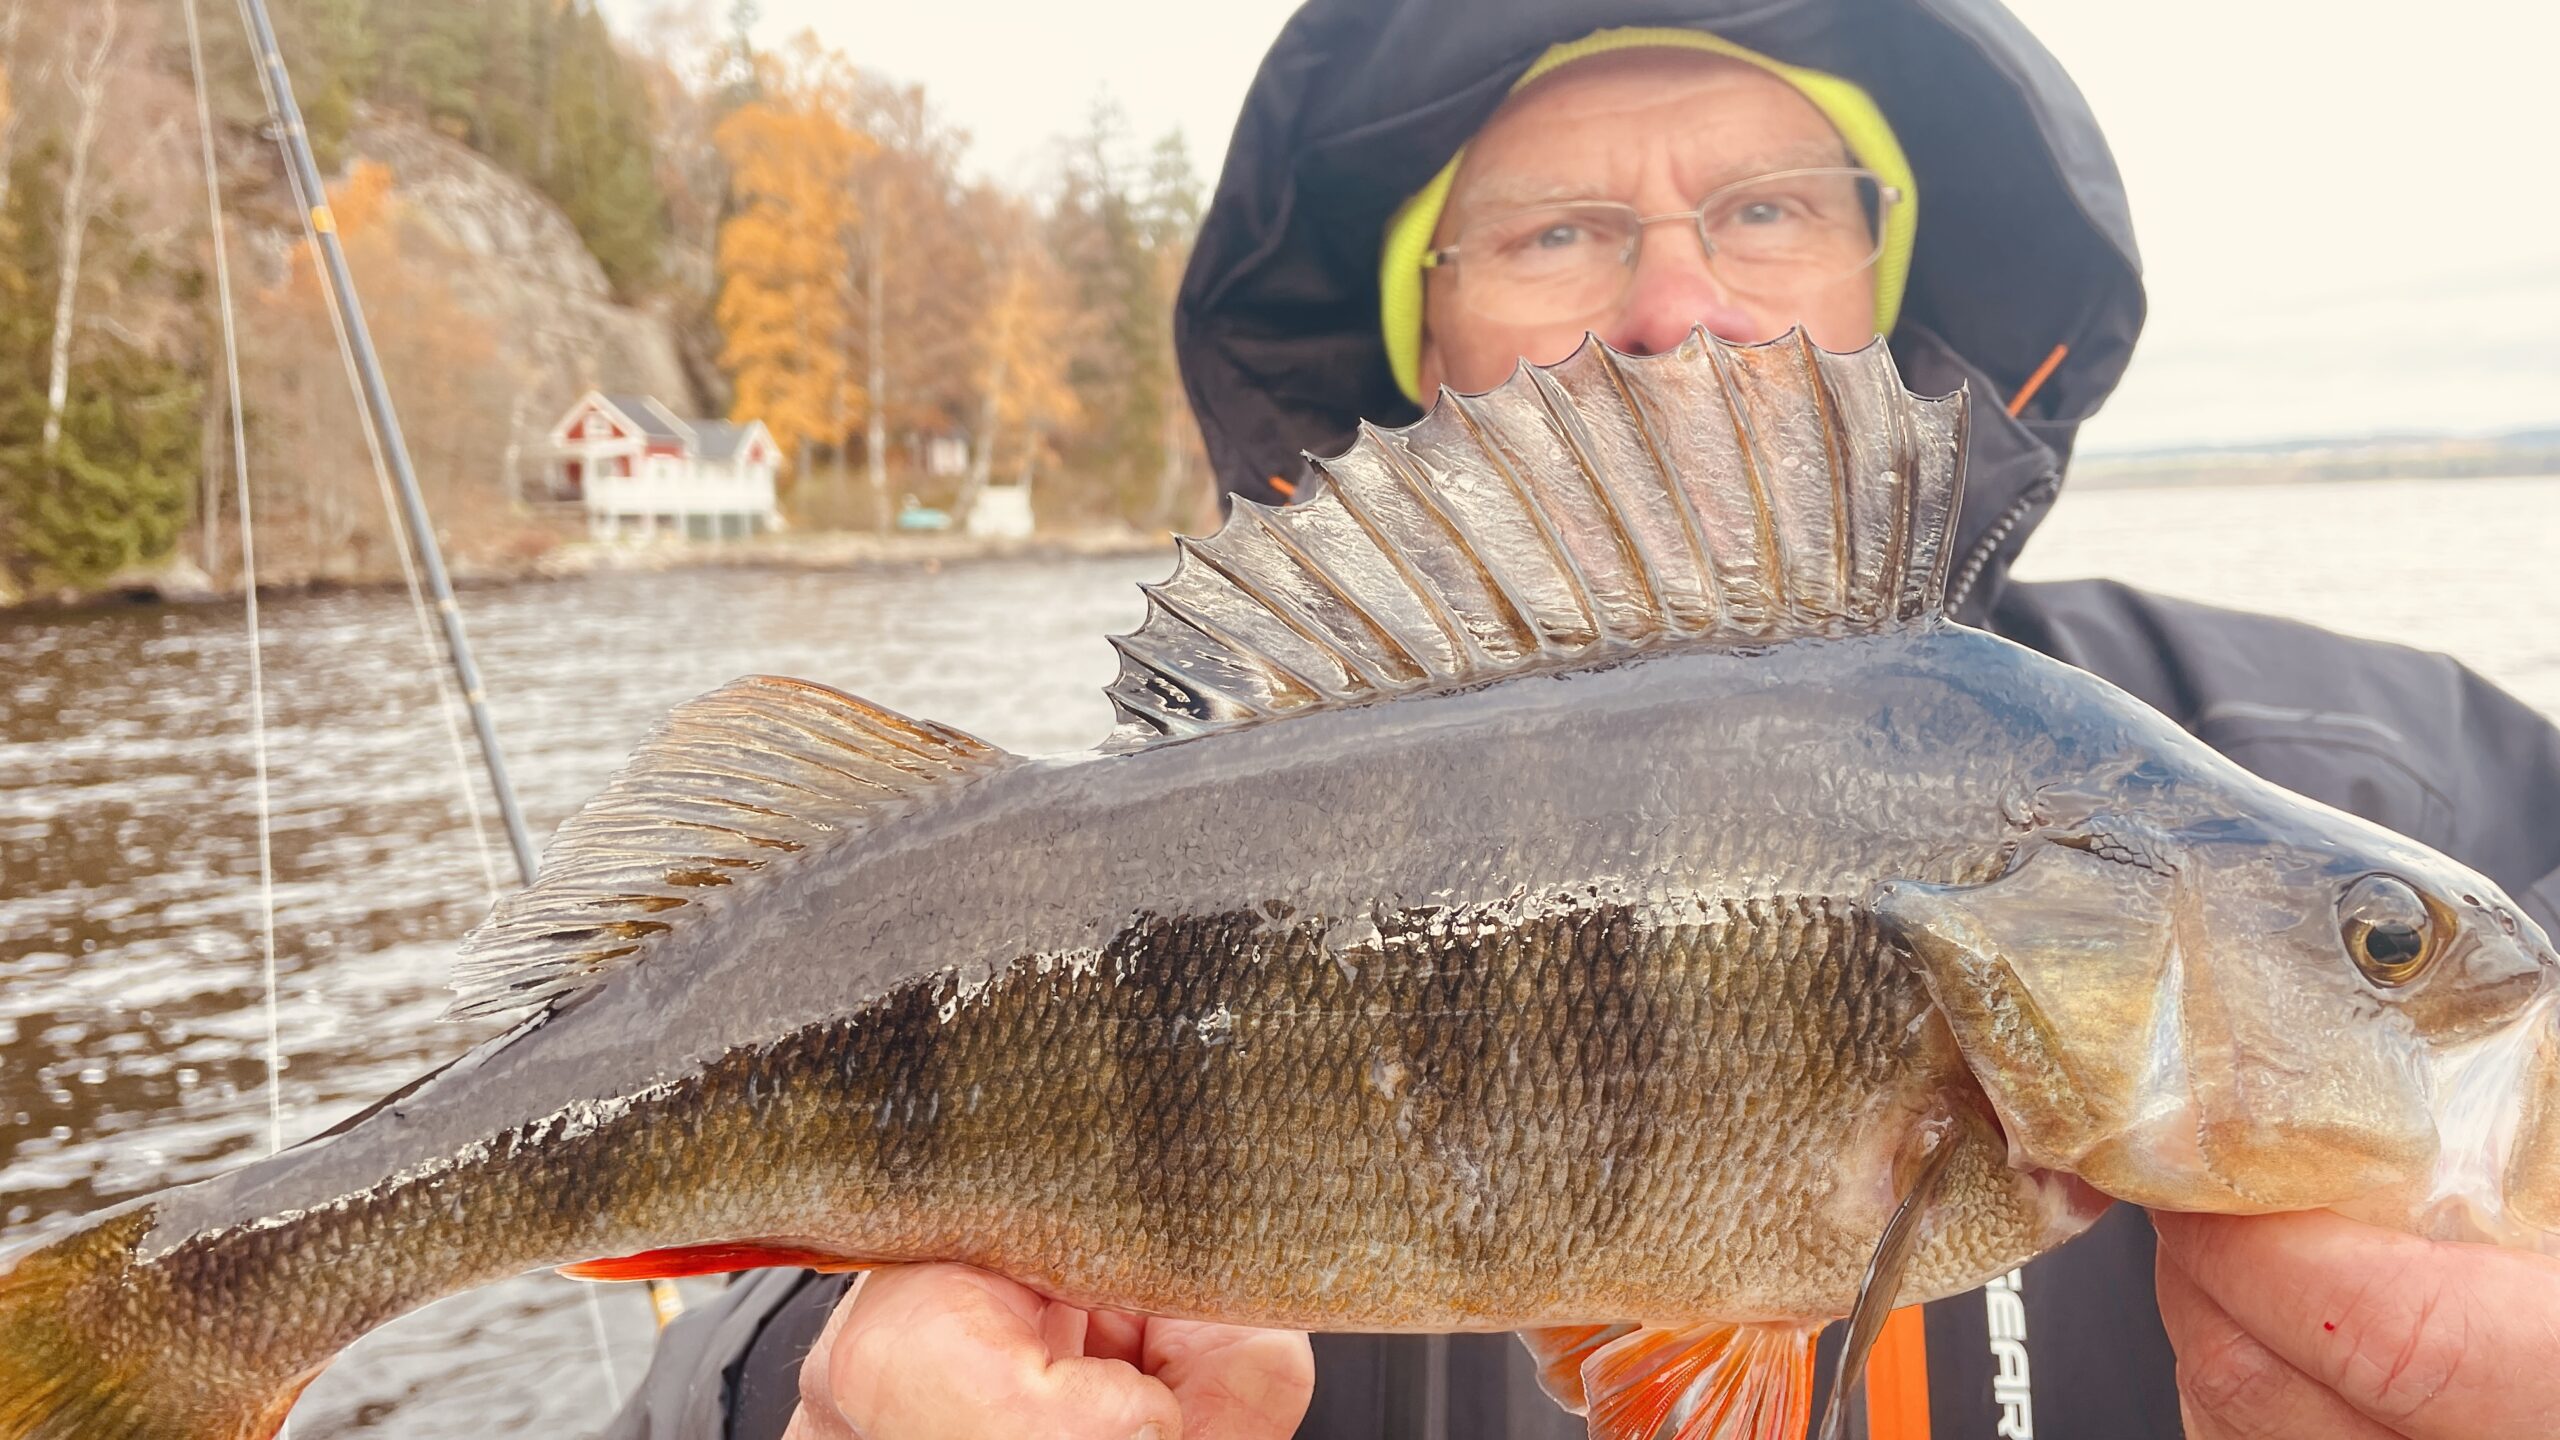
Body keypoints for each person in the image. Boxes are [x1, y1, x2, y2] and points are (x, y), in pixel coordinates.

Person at [608, 2, 2560, 1437]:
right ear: (1418, 354)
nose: (1675, 305)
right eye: (1552, 233)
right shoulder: (1115, 878)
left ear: (1890, 282)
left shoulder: (2395, 778)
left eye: (1769, 206)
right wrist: (808, 1393)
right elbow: (722, 1310)